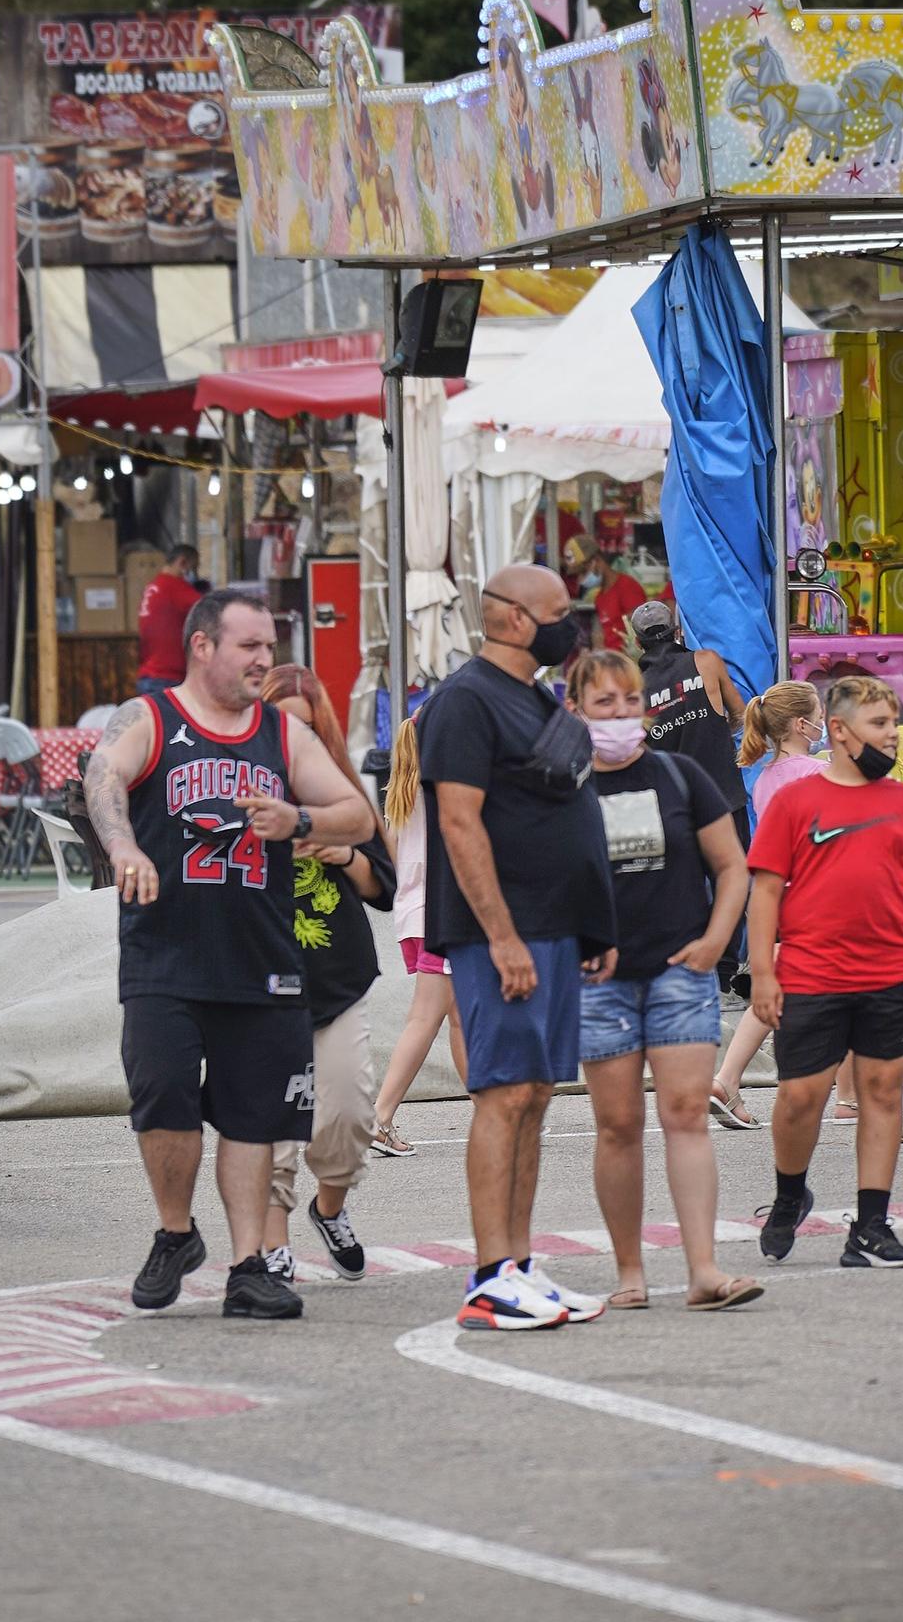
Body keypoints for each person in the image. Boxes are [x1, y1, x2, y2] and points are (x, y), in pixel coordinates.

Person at [83, 589, 375, 1320]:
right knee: (165, 1097)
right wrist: (121, 843)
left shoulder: (282, 735)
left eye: (270, 648)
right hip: (164, 952)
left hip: (260, 956)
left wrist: (298, 816)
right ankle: (176, 1234)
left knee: (252, 1118)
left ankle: (250, 1265)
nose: (263, 660)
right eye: (249, 646)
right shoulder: (152, 718)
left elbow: (359, 814)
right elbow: (102, 775)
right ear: (203, 646)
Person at [416, 562, 617, 1331]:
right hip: (502, 934)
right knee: (502, 1094)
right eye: (558, 612)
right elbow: (459, 825)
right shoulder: (466, 701)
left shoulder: (535, 695)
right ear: (509, 619)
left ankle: (519, 1264)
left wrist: (590, 927)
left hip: (554, 930)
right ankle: (488, 1273)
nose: (573, 625)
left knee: (534, 1093)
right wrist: (501, 937)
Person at [569, 651, 760, 1311]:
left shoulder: (680, 776)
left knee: (685, 1116)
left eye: (629, 702)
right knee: (617, 1124)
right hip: (601, 983)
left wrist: (714, 942)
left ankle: (703, 1270)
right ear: (576, 713)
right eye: (604, 705)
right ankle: (630, 1273)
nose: (621, 715)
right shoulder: (562, 790)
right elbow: (540, 884)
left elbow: (733, 867)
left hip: (681, 975)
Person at [748, 675, 903, 1268]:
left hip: (893, 975)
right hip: (811, 975)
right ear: (837, 731)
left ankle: (870, 1227)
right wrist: (764, 972)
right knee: (798, 1098)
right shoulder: (792, 801)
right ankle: (791, 1193)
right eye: (879, 725)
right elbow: (764, 892)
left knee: (883, 1092)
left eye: (893, 724)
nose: (892, 736)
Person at [260, 664, 396, 1285]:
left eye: (306, 728)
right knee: (270, 1126)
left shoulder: (341, 793)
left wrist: (341, 853)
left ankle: (329, 1209)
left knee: (349, 1117)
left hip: (335, 980)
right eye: (282, 727)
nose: (294, 741)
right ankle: (271, 1244)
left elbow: (383, 888)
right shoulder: (242, 793)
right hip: (259, 985)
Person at [709, 679, 835, 1132]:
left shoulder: (764, 778)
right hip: (815, 895)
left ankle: (728, 1080)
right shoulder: (816, 774)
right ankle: (854, 1097)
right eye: (819, 715)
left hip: (778, 895)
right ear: (802, 724)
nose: (824, 723)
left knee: (779, 991)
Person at [631, 598, 751, 997]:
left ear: (637, 642)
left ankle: (683, 965)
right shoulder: (707, 662)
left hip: (671, 802)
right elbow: (738, 714)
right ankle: (723, 970)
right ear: (677, 631)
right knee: (730, 879)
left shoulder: (634, 687)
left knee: (679, 886)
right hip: (723, 794)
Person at [371, 713, 469, 1157]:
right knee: (427, 1017)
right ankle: (380, 1115)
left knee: (458, 1016)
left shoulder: (403, 792)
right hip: (441, 914)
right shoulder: (439, 790)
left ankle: (490, 1107)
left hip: (415, 916)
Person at [136, 543, 201, 697]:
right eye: (193, 568)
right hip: (168, 676)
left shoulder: (154, 586)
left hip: (149, 674)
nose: (193, 574)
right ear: (182, 562)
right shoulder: (175, 587)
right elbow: (211, 609)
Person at [564, 534, 646, 652]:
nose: (580, 579)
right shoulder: (599, 596)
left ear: (596, 560)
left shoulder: (627, 587)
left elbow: (639, 632)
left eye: (583, 571)